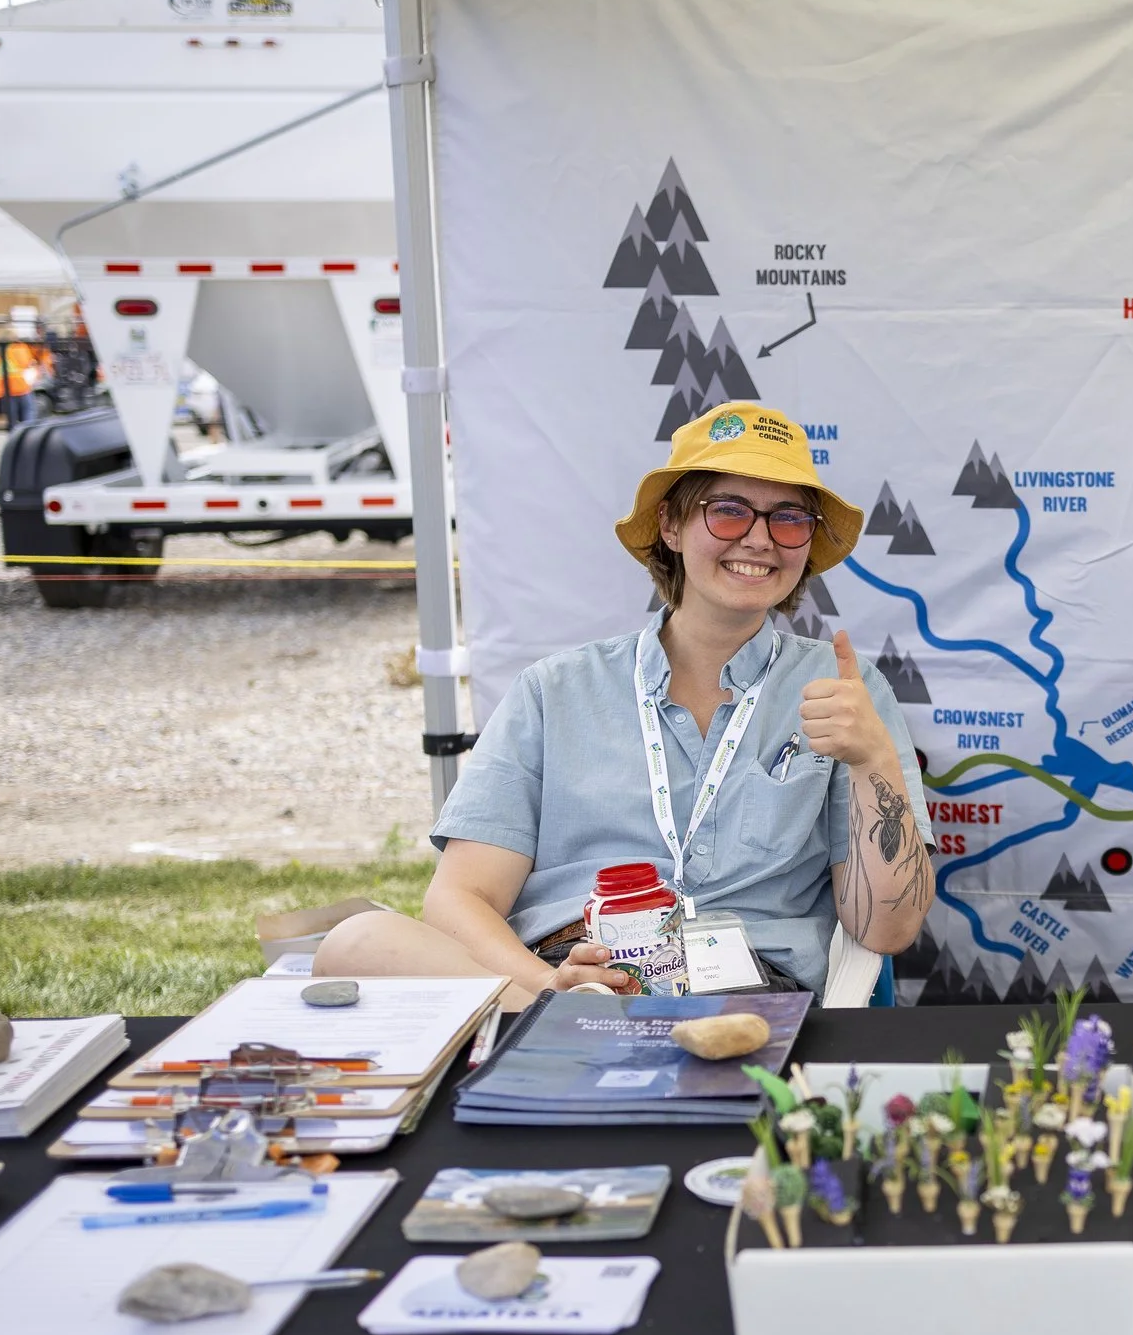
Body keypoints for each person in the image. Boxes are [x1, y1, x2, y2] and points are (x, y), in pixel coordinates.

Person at [317, 401, 935, 1007]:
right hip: (563, 972)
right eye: (727, 511)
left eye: (789, 519)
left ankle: (571, 1034)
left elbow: (887, 930)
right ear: (671, 525)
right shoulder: (555, 690)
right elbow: (460, 898)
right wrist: (547, 987)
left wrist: (872, 757)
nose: (759, 539)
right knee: (357, 941)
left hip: (742, 987)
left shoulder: (844, 691)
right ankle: (560, 1021)